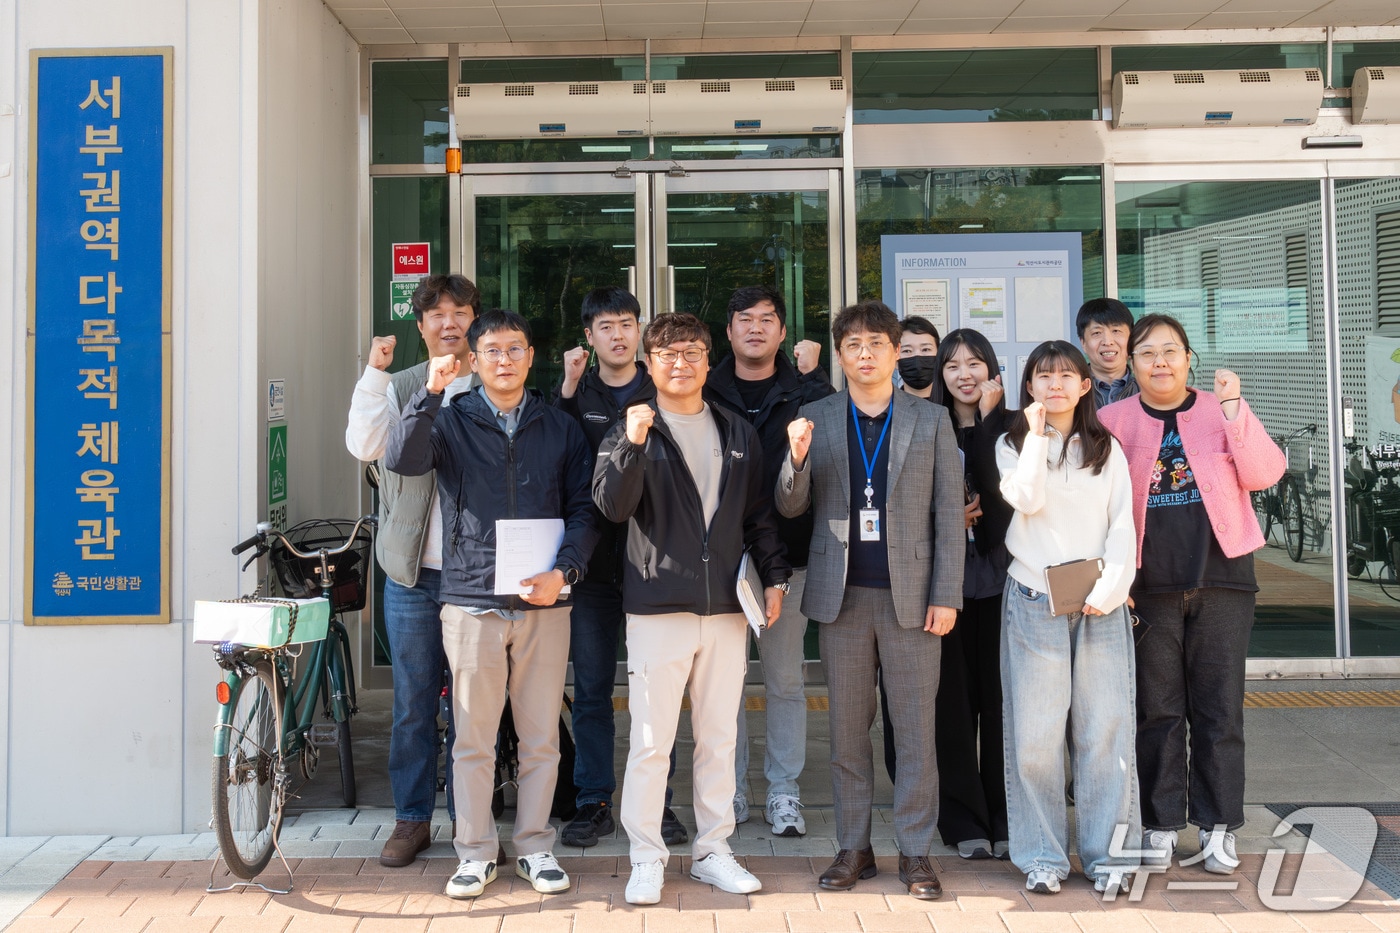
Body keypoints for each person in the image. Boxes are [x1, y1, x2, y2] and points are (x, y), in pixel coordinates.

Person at [384, 309, 600, 900]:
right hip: (473, 599)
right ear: (472, 362)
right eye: (492, 352)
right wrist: (429, 392)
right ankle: (475, 851)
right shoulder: (450, 420)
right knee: (472, 737)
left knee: (540, 738)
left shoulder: (560, 428)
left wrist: (565, 572)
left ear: (532, 357)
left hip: (544, 601)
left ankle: (534, 844)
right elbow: (402, 459)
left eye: (515, 349)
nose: (504, 360)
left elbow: (585, 510)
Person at [593, 313, 791, 906]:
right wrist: (630, 443)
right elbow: (610, 506)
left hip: (727, 608)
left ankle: (712, 850)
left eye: (692, 352)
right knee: (652, 741)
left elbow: (758, 514)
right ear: (649, 365)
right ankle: (646, 856)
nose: (681, 363)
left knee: (717, 737)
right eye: (668, 354)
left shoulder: (736, 430)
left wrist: (775, 575)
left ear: (709, 360)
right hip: (658, 606)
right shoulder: (634, 428)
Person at [776, 299, 963, 901]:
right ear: (841, 355)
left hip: (913, 600)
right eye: (853, 345)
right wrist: (796, 459)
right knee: (847, 733)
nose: (864, 354)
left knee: (915, 732)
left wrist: (947, 595)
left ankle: (915, 852)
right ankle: (854, 847)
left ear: (894, 351)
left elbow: (947, 516)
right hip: (842, 598)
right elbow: (790, 506)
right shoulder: (817, 417)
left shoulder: (930, 420)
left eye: (876, 345)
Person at [1099, 314, 1284, 876]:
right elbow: (1097, 500)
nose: (1161, 361)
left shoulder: (1218, 408)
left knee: (1219, 708)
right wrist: (1114, 579)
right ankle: (1159, 825)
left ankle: (1218, 825)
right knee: (1157, 710)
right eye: (1148, 352)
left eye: (1171, 351)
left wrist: (1235, 410)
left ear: (1188, 359)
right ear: (1131, 364)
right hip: (1148, 587)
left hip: (1223, 579)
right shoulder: (1112, 419)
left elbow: (1264, 473)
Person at [996, 339, 1139, 897]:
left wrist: (1115, 582)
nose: (1055, 385)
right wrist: (1034, 435)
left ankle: (1108, 856)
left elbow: (1122, 521)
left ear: (1086, 386)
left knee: (1104, 732)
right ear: (1028, 385)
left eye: (1066, 376)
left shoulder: (1107, 448)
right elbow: (1025, 500)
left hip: (1099, 600)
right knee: (1035, 736)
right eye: (1042, 376)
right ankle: (1043, 856)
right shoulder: (1012, 443)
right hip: (1034, 597)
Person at [345, 273, 479, 867]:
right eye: (436, 314)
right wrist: (375, 373)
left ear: (475, 318)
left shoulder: (496, 381)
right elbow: (364, 445)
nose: (449, 322)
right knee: (412, 702)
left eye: (460, 311)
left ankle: (473, 822)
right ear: (420, 326)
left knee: (477, 703)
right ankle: (412, 819)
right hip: (412, 575)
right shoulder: (396, 386)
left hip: (477, 575)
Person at [552, 287, 689, 849]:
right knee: (590, 691)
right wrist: (565, 391)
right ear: (589, 336)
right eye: (605, 325)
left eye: (627, 324)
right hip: (591, 570)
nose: (617, 334)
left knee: (658, 689)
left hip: (653, 566)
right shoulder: (572, 396)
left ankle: (657, 802)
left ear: (640, 332)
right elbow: (556, 462)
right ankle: (594, 801)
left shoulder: (664, 390)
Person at [702, 285, 834, 837]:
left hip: (791, 559)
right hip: (723, 562)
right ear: (728, 331)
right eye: (744, 320)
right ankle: (728, 792)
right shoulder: (703, 389)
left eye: (767, 320)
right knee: (723, 685)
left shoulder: (813, 394)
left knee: (784, 682)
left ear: (782, 332)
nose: (755, 328)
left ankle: (784, 793)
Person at [930, 328, 1012, 861]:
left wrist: (986, 422)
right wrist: (947, 519)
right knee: (952, 709)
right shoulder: (926, 425)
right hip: (947, 588)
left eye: (975, 363)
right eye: (954, 365)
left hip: (1004, 584)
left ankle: (1007, 818)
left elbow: (1006, 499)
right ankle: (963, 820)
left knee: (1005, 707)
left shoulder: (1014, 429)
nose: (965, 374)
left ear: (992, 371)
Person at [1077, 297, 1138, 409]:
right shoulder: (1072, 392)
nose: (1108, 342)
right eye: (1097, 333)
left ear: (1131, 338)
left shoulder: (1147, 391)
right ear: (1083, 343)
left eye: (1116, 331)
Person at [896, 315, 941, 400]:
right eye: (907, 351)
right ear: (895, 360)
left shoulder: (955, 407)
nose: (917, 357)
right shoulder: (888, 409)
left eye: (925, 349)